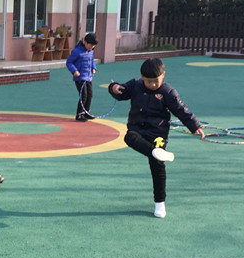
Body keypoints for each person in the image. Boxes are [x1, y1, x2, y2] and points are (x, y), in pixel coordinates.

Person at [108, 58, 205, 219]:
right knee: (129, 137)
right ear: (142, 77)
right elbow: (121, 92)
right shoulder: (135, 85)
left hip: (157, 133)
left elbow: (181, 110)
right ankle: (154, 152)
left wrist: (194, 125)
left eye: (156, 81)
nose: (153, 85)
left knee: (157, 166)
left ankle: (160, 202)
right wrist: (114, 87)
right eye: (149, 81)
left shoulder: (168, 92)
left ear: (163, 75)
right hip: (137, 128)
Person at [65, 33, 97, 121]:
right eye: (90, 45)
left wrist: (93, 68)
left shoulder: (91, 51)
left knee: (90, 95)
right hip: (80, 77)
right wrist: (74, 70)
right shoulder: (77, 51)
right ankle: (79, 114)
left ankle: (86, 112)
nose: (91, 47)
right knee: (84, 95)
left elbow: (92, 61)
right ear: (85, 42)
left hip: (88, 77)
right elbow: (69, 62)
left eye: (93, 46)